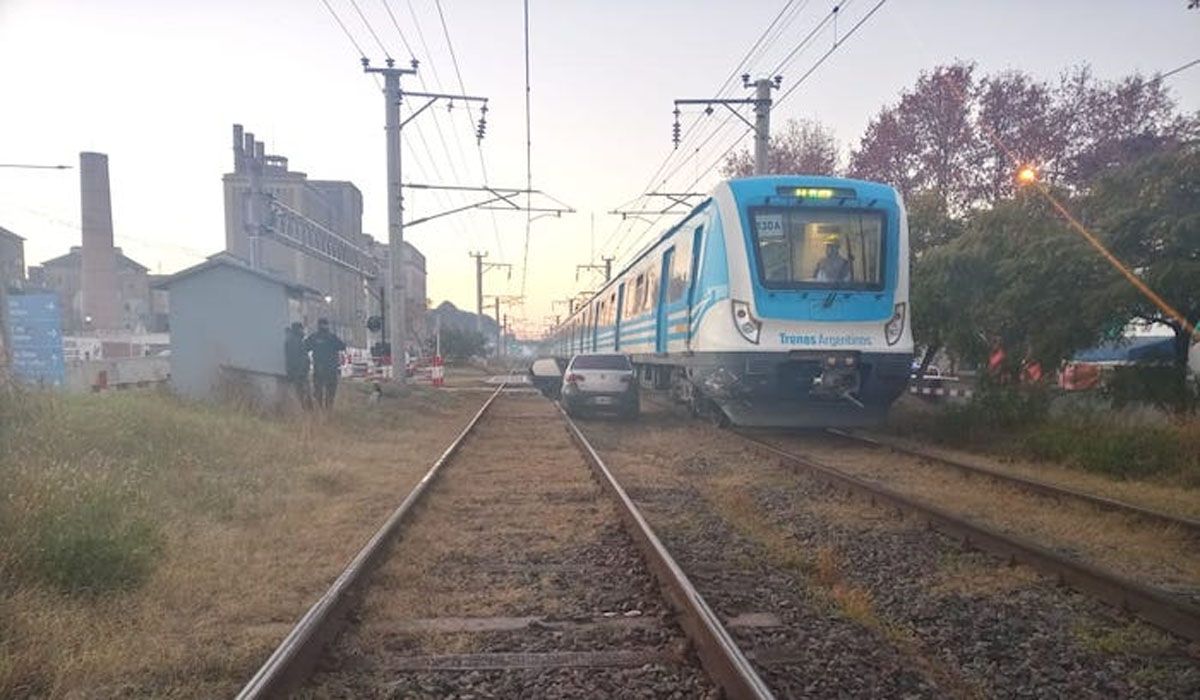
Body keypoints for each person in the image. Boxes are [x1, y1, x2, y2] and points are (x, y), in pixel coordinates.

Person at [305, 318, 346, 410]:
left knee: (318, 390)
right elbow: (342, 346)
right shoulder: (332, 337)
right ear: (327, 325)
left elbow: (305, 347)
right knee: (330, 390)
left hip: (319, 368)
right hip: (331, 368)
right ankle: (328, 408)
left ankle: (320, 408)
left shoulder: (313, 337)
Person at [284, 322, 312, 410]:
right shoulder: (294, 341)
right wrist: (300, 372)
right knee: (303, 395)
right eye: (301, 329)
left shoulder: (296, 339)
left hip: (300, 373)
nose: (302, 331)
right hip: (299, 374)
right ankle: (308, 413)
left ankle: (308, 412)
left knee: (303, 395)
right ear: (297, 329)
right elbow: (295, 359)